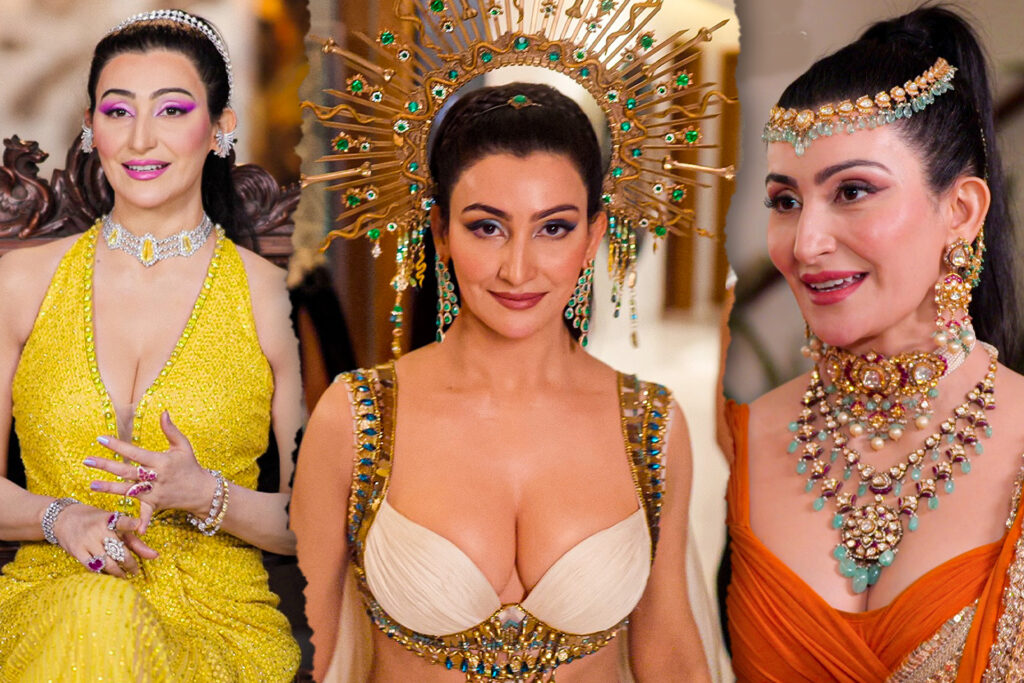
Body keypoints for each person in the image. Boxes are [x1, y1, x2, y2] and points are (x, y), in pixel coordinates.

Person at [293, 78, 712, 682]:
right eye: (487, 227)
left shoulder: (650, 425)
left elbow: (669, 649)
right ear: (441, 232)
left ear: (593, 236)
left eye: (554, 228)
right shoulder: (357, 417)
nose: (518, 269)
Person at [0, 10, 302, 680]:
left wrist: (207, 495)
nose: (140, 138)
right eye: (117, 110)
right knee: (94, 612)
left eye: (171, 109)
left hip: (218, 625)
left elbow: (316, 520)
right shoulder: (20, 283)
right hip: (48, 604)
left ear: (221, 127)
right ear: (90, 125)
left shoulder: (272, 299)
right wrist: (62, 518)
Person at [725, 6, 1024, 681]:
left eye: (852, 191)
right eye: (784, 200)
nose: (805, 244)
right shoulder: (725, 446)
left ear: (962, 211)